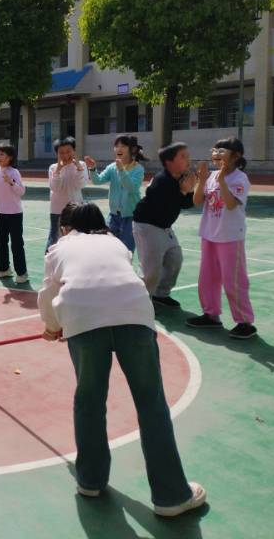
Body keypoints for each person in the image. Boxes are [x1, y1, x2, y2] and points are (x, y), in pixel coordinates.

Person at [38, 202, 206, 517]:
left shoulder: (59, 248)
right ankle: (171, 497)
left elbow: (48, 294)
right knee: (151, 403)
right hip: (134, 314)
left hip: (83, 320)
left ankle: (90, 480)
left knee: (89, 400)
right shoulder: (116, 243)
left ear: (65, 227)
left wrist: (51, 326)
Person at [186, 138, 257, 339]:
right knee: (207, 277)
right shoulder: (211, 176)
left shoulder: (239, 178)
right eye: (215, 150)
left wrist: (223, 180)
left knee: (233, 280)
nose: (216, 154)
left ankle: (245, 322)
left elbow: (231, 204)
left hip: (230, 236)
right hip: (209, 234)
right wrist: (201, 179)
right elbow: (197, 201)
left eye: (222, 150)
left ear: (236, 156)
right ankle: (211, 315)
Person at [133, 142, 196, 308]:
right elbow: (162, 203)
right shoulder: (161, 180)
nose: (188, 160)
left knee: (175, 258)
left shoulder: (180, 179)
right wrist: (183, 190)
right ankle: (142, 300)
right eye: (183, 156)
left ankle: (161, 294)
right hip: (147, 225)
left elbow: (186, 204)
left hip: (165, 227)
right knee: (151, 268)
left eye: (187, 156)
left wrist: (189, 191)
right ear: (169, 162)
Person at [84, 135, 147, 252]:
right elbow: (97, 180)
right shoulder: (112, 167)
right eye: (116, 146)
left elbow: (132, 187)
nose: (118, 149)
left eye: (123, 146)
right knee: (110, 249)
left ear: (132, 149)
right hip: (113, 216)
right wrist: (92, 168)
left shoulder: (138, 169)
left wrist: (122, 171)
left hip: (131, 217)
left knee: (126, 251)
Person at [0, 144, 28, 284]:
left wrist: (11, 182)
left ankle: (22, 273)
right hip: (1, 213)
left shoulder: (14, 172)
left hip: (14, 213)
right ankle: (4, 269)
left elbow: (21, 191)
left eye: (2, 154)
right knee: (1, 242)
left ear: (10, 157)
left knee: (16, 244)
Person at [46, 137, 89, 252]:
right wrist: (58, 170)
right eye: (61, 153)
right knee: (55, 238)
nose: (65, 155)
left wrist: (78, 168)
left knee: (77, 237)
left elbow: (81, 184)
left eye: (68, 151)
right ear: (57, 154)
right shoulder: (53, 168)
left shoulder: (82, 165)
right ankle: (51, 262)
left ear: (74, 151)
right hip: (57, 210)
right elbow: (55, 188)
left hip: (76, 209)